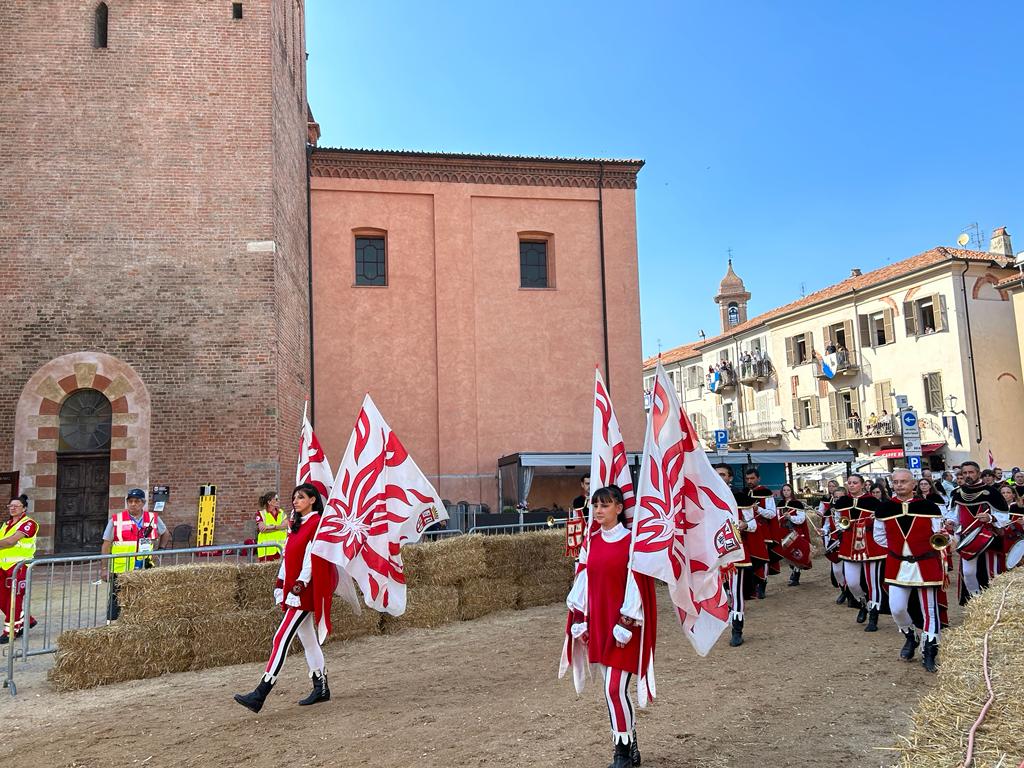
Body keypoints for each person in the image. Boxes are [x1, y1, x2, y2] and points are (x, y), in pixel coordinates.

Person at [565, 485, 656, 768]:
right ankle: (631, 744)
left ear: (619, 508)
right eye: (595, 506)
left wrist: (626, 622)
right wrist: (580, 619)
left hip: (625, 626)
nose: (598, 511)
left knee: (614, 689)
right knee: (612, 689)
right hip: (600, 623)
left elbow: (637, 585)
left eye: (605, 505)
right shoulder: (590, 542)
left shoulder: (631, 542)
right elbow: (583, 580)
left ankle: (622, 754)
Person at [235, 483, 339, 713]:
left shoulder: (315, 524)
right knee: (308, 639)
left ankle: (261, 692)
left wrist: (299, 586)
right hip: (294, 589)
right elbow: (288, 557)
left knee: (280, 638)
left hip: (303, 593)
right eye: (294, 497)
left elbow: (312, 560)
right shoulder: (296, 525)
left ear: (312, 500)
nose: (295, 501)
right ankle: (321, 687)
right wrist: (281, 583)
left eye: (301, 497)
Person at [874, 469, 948, 672]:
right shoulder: (884, 509)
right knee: (897, 608)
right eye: (895, 482)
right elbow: (879, 538)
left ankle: (930, 650)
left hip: (925, 564)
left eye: (903, 481)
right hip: (897, 565)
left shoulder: (929, 506)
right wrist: (899, 549)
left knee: (929, 611)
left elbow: (938, 534)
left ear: (913, 484)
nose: (899, 485)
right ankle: (910, 636)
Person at [100, 488, 168, 621]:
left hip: (145, 567)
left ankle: (141, 622)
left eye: (136, 501)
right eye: (130, 501)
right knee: (117, 600)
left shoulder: (152, 518)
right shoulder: (116, 519)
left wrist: (161, 550)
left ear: (143, 503)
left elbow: (165, 533)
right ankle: (113, 624)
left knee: (144, 598)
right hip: (120, 569)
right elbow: (106, 544)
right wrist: (104, 568)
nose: (133, 504)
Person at [946, 461, 1009, 604]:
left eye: (971, 472)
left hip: (988, 538)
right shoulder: (957, 493)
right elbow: (954, 516)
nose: (968, 475)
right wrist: (950, 522)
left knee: (992, 573)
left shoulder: (992, 492)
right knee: (968, 573)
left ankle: (995, 602)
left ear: (978, 473)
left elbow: (1005, 517)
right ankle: (976, 602)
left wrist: (990, 517)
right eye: (965, 473)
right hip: (967, 538)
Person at [715, 465, 763, 647]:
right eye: (716, 474)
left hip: (736, 553)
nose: (719, 477)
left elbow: (753, 525)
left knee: (735, 593)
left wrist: (744, 524)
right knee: (721, 591)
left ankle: (737, 629)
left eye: (722, 475)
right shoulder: (705, 497)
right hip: (714, 553)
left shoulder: (741, 497)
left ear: (730, 478)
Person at [834, 474, 885, 631]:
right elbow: (837, 520)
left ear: (863, 485)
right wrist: (842, 526)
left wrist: (874, 518)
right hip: (850, 545)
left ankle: (874, 617)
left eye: (855, 483)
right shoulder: (842, 502)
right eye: (849, 483)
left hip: (871, 545)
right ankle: (864, 604)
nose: (851, 485)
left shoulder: (874, 502)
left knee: (873, 583)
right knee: (853, 582)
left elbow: (883, 523)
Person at [0, 495, 38, 644]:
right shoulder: (6, 524)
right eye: (10, 506)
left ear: (24, 508)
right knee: (2, 598)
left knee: (14, 599)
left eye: (16, 505)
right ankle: (27, 620)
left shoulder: (28, 524)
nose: (12, 508)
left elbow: (10, 542)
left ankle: (10, 632)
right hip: (3, 566)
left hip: (19, 567)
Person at [744, 467, 777, 597]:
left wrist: (758, 509)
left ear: (758, 478)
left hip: (762, 531)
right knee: (750, 558)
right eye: (747, 479)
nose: (749, 481)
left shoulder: (766, 493)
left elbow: (772, 514)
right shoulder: (745, 492)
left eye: (752, 478)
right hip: (747, 531)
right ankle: (751, 587)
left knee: (762, 558)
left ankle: (762, 584)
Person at [819, 480, 850, 605]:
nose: (837, 499)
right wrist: (823, 531)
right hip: (834, 540)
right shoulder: (831, 510)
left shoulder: (849, 509)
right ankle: (843, 589)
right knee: (837, 570)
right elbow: (827, 525)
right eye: (835, 497)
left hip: (847, 540)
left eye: (840, 497)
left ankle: (851, 592)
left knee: (849, 569)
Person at [777, 483, 810, 586]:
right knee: (787, 554)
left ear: (791, 491)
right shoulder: (780, 504)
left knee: (796, 553)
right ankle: (794, 571)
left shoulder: (797, 504)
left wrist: (790, 517)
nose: (786, 492)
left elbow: (801, 519)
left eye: (788, 490)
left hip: (794, 532)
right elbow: (777, 518)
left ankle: (796, 575)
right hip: (783, 532)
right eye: (784, 490)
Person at [255, 491, 287, 562]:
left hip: (281, 549)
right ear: (269, 502)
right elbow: (263, 529)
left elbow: (286, 525)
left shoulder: (281, 512)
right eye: (276, 499)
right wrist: (279, 527)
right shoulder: (260, 513)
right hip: (267, 550)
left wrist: (270, 527)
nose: (278, 501)